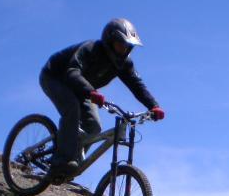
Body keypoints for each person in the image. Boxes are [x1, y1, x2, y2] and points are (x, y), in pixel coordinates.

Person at [39, 18, 165, 177]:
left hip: (83, 89)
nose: (124, 49)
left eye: (128, 46)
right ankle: (62, 160)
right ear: (109, 40)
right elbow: (72, 71)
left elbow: (136, 85)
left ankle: (72, 161)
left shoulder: (124, 64)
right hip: (55, 77)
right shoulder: (91, 49)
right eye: (120, 43)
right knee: (71, 108)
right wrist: (91, 92)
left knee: (94, 126)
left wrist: (153, 106)